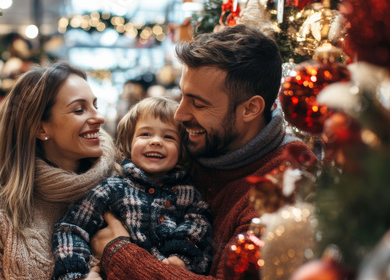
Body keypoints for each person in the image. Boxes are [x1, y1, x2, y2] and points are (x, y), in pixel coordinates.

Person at [90, 24, 317, 279]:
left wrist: (119, 254)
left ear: (250, 109)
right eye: (182, 96)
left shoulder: (287, 187)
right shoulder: (191, 150)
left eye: (198, 104)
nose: (179, 114)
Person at [0, 61, 116, 279]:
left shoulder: (122, 187)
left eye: (95, 105)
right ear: (40, 127)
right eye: (79, 109)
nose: (99, 118)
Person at [51, 97, 212, 280]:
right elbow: (71, 229)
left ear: (182, 149)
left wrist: (181, 256)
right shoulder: (111, 189)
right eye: (145, 134)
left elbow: (199, 224)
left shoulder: (189, 193)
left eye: (168, 137)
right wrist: (74, 274)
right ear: (129, 142)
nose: (156, 141)